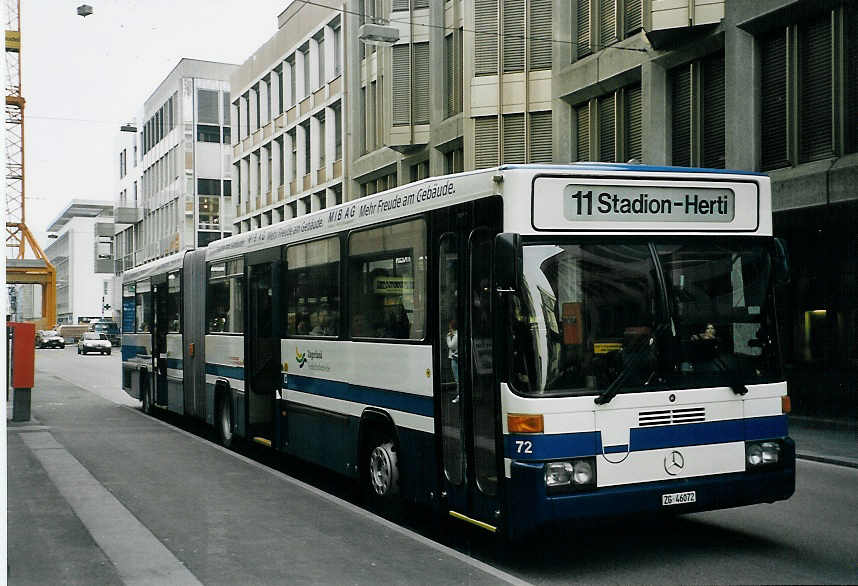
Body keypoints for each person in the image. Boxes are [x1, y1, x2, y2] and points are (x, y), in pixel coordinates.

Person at [447, 320, 459, 403]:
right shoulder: (457, 334)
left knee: (457, 378)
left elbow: (451, 346)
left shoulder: (456, 335)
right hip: (456, 358)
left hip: (455, 359)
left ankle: (459, 395)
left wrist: (448, 337)